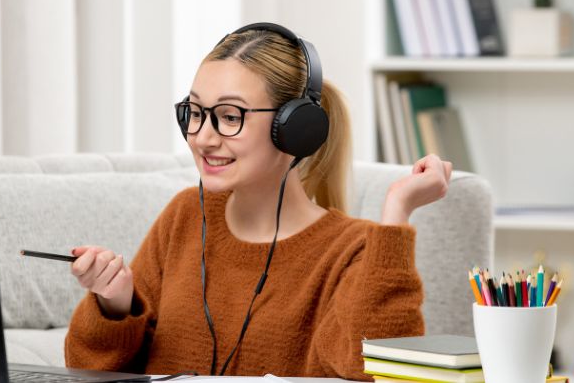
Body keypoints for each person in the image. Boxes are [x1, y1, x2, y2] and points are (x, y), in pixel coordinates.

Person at [64, 23, 452, 379]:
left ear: (296, 129)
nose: (202, 137)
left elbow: (379, 373)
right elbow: (88, 371)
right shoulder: (185, 215)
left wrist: (396, 215)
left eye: (229, 116)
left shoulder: (355, 249)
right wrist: (116, 305)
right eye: (195, 112)